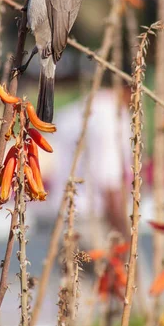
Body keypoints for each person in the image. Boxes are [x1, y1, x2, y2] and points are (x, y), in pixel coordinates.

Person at [47, 84, 133, 245]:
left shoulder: (74, 111)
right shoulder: (111, 117)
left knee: (75, 270)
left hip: (64, 219)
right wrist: (125, 240)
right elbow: (109, 183)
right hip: (95, 222)